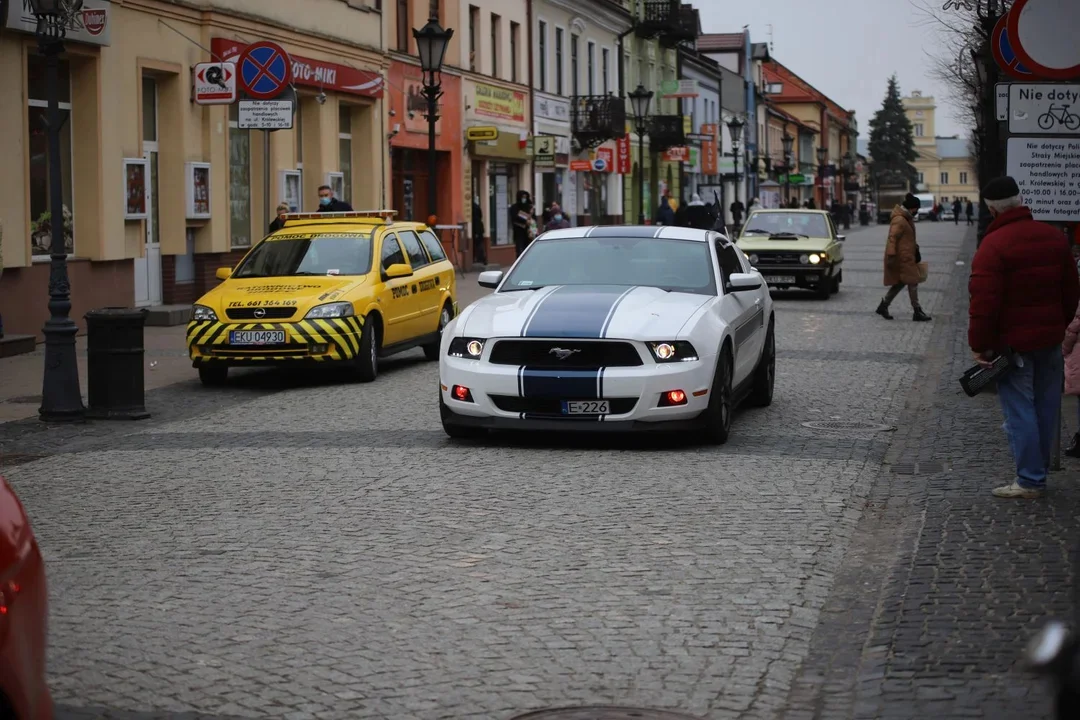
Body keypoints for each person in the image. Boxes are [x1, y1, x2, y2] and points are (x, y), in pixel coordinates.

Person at [969, 176, 1080, 498]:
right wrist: (1058, 325)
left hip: (1013, 343)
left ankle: (1030, 479)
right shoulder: (1054, 238)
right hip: (1048, 338)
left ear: (992, 209)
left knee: (1019, 409)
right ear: (1020, 201)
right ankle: (1038, 471)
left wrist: (980, 344)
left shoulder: (994, 245)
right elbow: (1071, 290)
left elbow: (983, 303)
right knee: (1046, 406)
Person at [876, 193, 931, 322]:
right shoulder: (900, 220)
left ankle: (883, 306)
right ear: (912, 208)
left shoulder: (906, 218)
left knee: (900, 283)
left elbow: (906, 239)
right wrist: (890, 256)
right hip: (902, 259)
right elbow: (892, 238)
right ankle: (917, 311)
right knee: (913, 282)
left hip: (906, 257)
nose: (917, 211)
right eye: (917, 208)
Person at [510, 190, 534, 257]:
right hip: (519, 232)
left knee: (527, 250)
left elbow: (533, 218)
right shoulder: (514, 207)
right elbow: (515, 217)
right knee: (520, 251)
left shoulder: (529, 207)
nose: (524, 199)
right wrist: (525, 220)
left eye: (525, 197)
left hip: (528, 233)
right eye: (523, 197)